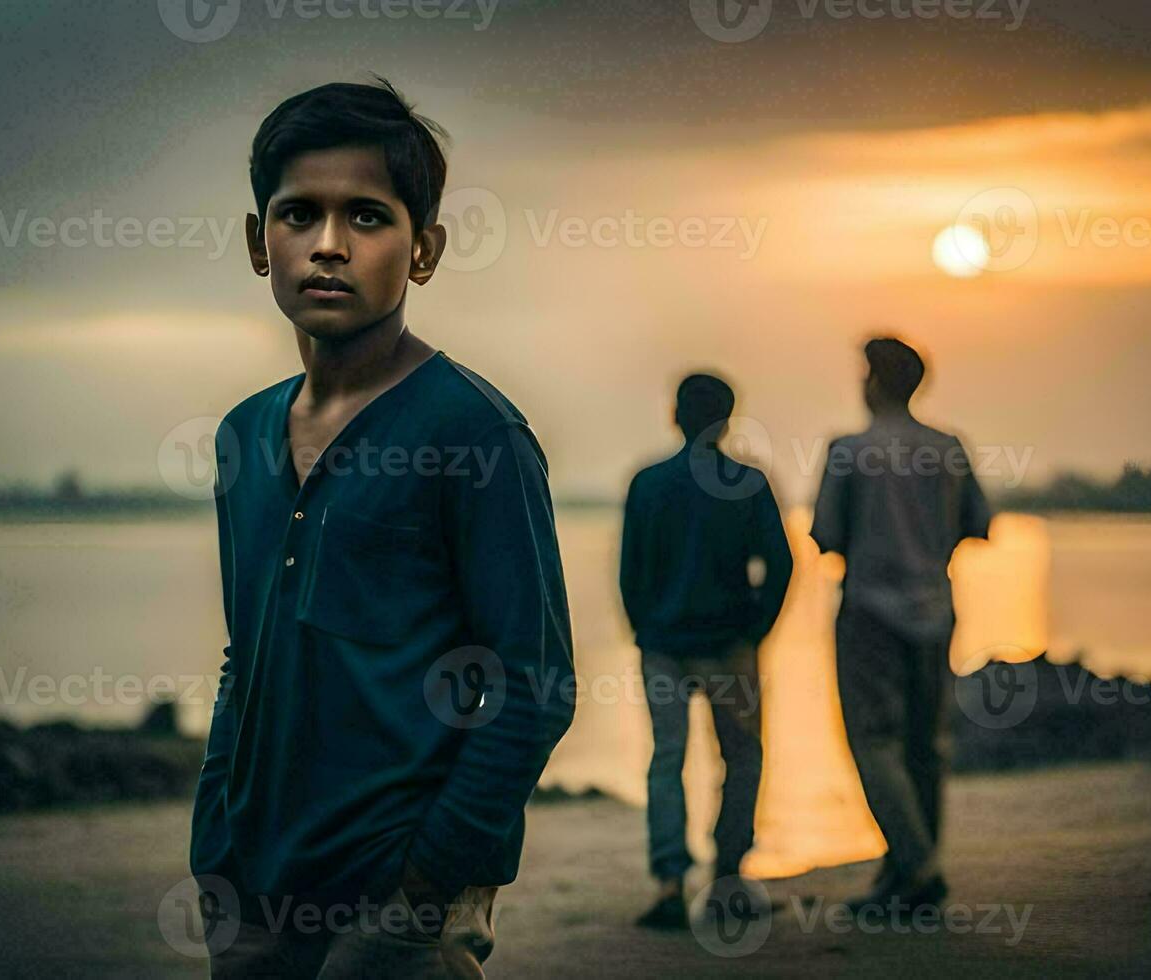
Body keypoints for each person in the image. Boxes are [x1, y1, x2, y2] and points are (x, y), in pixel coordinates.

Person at [188, 77, 576, 978]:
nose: (328, 245)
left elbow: (535, 682)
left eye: (366, 217)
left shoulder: (473, 433)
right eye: (298, 215)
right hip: (253, 892)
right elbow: (246, 655)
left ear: (425, 249)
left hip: (398, 903)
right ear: (259, 241)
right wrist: (216, 841)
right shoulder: (243, 434)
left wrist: (426, 887)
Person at [809, 337, 992, 913]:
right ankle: (906, 873)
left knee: (875, 742)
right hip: (936, 610)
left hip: (868, 611)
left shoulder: (849, 450)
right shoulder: (948, 447)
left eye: (865, 373)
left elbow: (826, 536)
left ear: (876, 383)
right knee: (925, 746)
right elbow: (979, 524)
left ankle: (918, 866)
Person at [619, 373, 793, 929]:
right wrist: (757, 629)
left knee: (666, 759)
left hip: (666, 645)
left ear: (676, 415)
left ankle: (671, 883)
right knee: (741, 757)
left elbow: (631, 573)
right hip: (729, 645)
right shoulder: (747, 483)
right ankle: (728, 874)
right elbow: (782, 564)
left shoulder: (648, 484)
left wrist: (644, 628)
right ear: (727, 420)